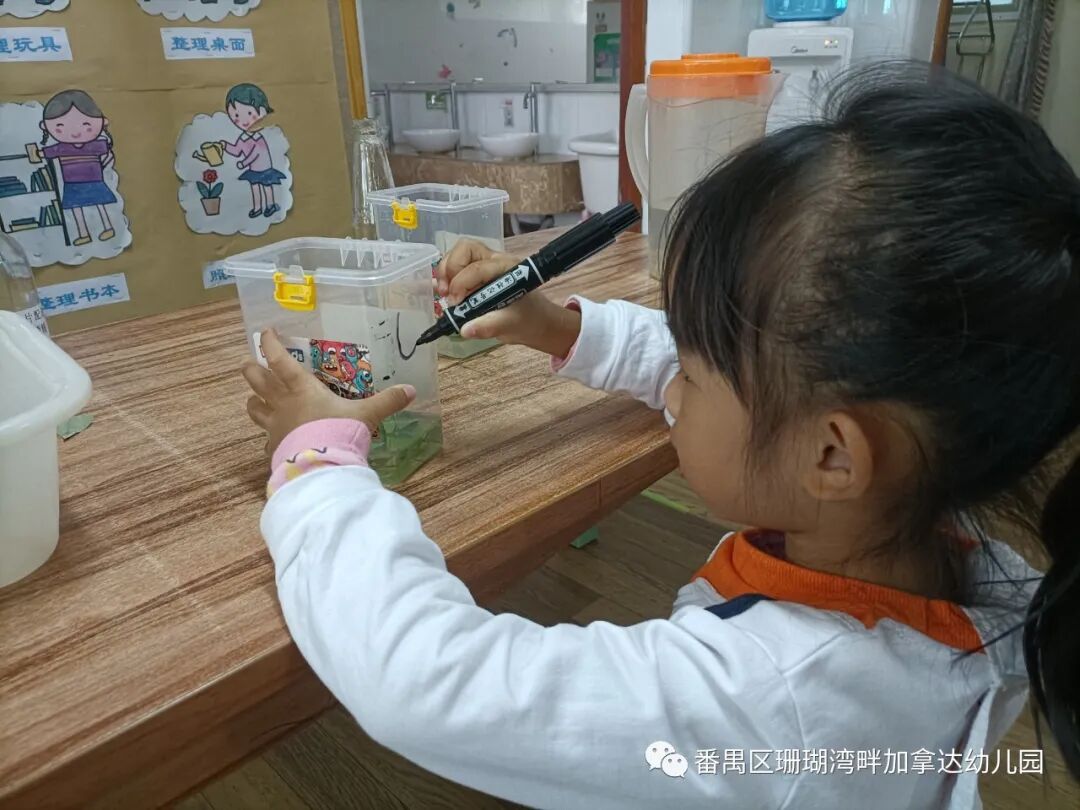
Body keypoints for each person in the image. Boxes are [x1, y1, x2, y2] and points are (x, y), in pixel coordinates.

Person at [240, 64, 1080, 808]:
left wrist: (317, 463)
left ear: (833, 455)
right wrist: (564, 329)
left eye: (694, 371)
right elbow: (761, 395)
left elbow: (424, 685)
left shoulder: (770, 704)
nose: (672, 382)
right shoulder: (951, 530)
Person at [33, 90, 117, 247]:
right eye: (60, 126)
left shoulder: (96, 144)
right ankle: (83, 233)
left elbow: (108, 153)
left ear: (103, 122)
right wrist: (35, 153)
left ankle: (108, 227)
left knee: (100, 204)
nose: (75, 132)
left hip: (94, 181)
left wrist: (106, 162)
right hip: (72, 184)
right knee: (76, 208)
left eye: (86, 125)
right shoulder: (60, 148)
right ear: (45, 126)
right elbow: (43, 153)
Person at [219, 83, 286, 219]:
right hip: (253, 170)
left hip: (264, 169)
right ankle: (257, 207)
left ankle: (270, 205)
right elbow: (237, 150)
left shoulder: (258, 137)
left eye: (249, 113)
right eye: (236, 116)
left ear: (262, 111)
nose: (243, 120)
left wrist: (244, 163)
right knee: (254, 187)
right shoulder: (243, 138)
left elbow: (256, 153)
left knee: (266, 186)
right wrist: (225, 146)